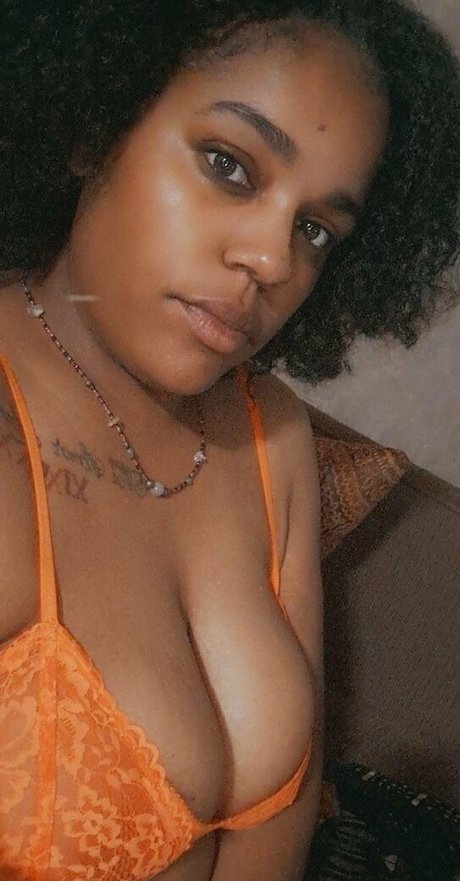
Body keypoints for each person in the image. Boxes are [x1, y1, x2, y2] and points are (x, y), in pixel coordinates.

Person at [0, 1, 458, 879]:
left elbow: (279, 831)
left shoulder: (268, 434)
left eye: (315, 229)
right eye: (230, 165)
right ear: (95, 124)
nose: (274, 261)